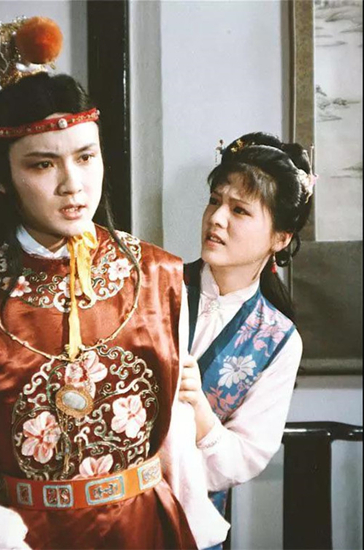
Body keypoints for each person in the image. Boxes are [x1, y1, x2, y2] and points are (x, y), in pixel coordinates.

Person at [0, 14, 229, 550]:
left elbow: (175, 438)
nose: (73, 184)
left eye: (86, 156)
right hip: (23, 536)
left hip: (145, 527)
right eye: (42, 165)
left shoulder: (160, 276)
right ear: (3, 179)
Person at [179, 132, 315, 548]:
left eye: (239, 210)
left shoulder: (278, 340)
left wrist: (198, 408)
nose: (217, 218)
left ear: (280, 238)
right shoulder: (155, 284)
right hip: (110, 512)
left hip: (190, 527)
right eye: (214, 201)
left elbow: (243, 458)